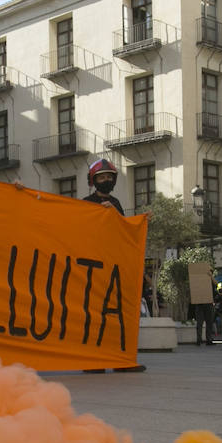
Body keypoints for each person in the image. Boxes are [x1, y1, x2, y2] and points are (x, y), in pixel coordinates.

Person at [79, 158, 146, 372]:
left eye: (109, 177)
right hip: (93, 266)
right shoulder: (85, 202)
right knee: (93, 313)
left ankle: (119, 359)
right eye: (101, 177)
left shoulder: (116, 203)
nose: (106, 180)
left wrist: (138, 222)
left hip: (114, 266)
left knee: (116, 314)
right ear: (94, 180)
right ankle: (92, 361)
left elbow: (123, 231)